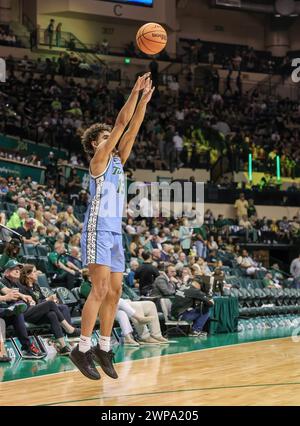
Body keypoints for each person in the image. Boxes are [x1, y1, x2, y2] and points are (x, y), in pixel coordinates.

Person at [70, 73, 155, 381]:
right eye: (104, 136)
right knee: (100, 288)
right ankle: (81, 348)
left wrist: (143, 102)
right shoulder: (99, 159)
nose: (112, 137)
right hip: (97, 229)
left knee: (116, 291)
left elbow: (132, 129)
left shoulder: (119, 160)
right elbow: (121, 125)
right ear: (95, 143)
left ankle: (104, 347)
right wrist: (133, 92)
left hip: (115, 231)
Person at [18, 264, 80, 355]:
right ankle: (69, 329)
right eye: (34, 272)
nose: (37, 274)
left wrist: (51, 300)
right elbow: (31, 305)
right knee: (50, 304)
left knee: (54, 313)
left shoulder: (36, 286)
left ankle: (63, 347)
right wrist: (48, 300)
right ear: (28, 275)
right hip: (27, 314)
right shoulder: (22, 288)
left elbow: (41, 301)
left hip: (38, 313)